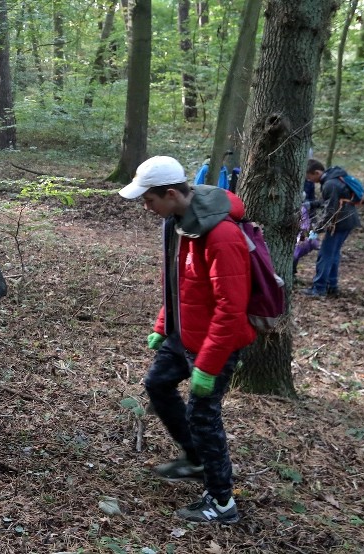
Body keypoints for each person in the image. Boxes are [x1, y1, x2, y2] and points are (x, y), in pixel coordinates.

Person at [118, 156, 256, 525]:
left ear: (173, 193)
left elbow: (231, 308)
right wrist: (164, 324)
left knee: (203, 415)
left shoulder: (222, 235)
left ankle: (222, 501)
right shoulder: (177, 222)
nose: (146, 208)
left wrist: (208, 366)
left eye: (149, 200)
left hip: (214, 342)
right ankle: (195, 460)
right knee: (157, 383)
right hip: (183, 335)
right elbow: (180, 282)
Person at [301, 163, 361, 298]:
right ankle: (331, 285)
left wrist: (316, 230)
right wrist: (311, 204)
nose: (309, 180)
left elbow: (330, 210)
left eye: (309, 176)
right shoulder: (333, 180)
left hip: (339, 223)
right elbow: (328, 201)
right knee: (333, 254)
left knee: (325, 255)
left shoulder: (330, 184)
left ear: (316, 172)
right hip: (346, 220)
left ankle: (319, 288)